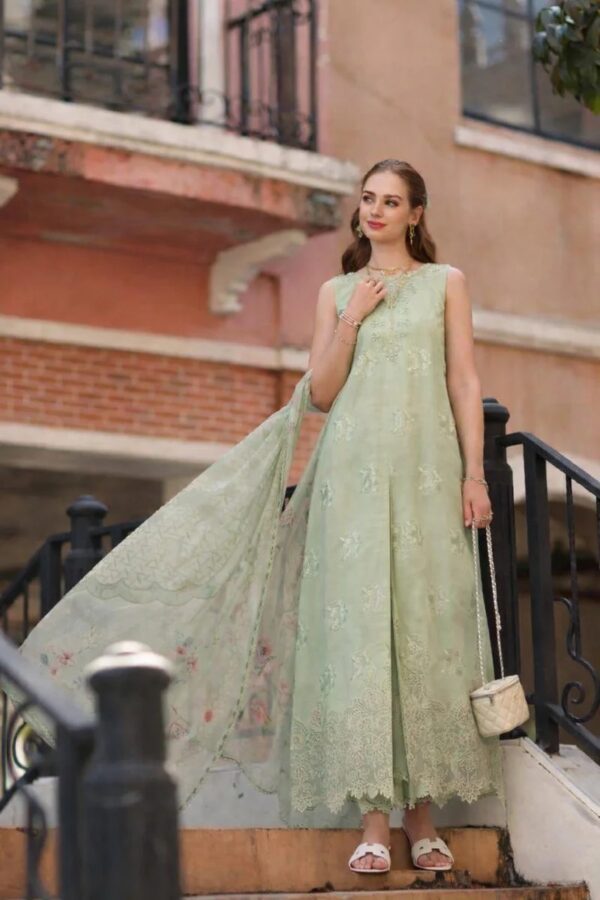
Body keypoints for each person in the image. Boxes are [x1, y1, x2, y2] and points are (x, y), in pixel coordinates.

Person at [7, 158, 505, 876]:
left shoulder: (444, 283)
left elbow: (463, 379)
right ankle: (372, 822)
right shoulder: (337, 291)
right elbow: (322, 393)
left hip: (427, 478)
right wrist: (354, 318)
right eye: (368, 199)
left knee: (424, 633)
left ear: (416, 214)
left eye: (391, 202)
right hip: (350, 485)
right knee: (360, 641)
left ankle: (422, 820)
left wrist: (472, 473)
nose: (375, 211)